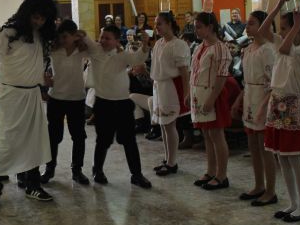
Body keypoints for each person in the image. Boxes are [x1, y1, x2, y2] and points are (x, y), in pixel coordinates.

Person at [0, 0, 57, 210]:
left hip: (32, 94)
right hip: (11, 95)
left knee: (34, 140)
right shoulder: (9, 34)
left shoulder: (41, 36)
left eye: (42, 18)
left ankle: (32, 185)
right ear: (27, 14)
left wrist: (42, 80)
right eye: (35, 17)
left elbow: (31, 63)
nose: (38, 22)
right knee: (7, 141)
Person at [260, 0, 300, 222]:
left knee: (294, 157)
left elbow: (286, 48)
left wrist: (295, 26)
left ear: (297, 27)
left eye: (285, 28)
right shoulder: (282, 42)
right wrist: (277, 6)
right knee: (281, 157)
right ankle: (293, 202)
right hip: (277, 102)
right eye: (283, 29)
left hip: (294, 103)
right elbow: (263, 30)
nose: (281, 32)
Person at [86, 25, 152, 188]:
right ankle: (97, 170)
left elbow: (137, 59)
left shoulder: (122, 56)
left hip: (122, 104)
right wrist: (81, 34)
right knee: (103, 140)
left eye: (107, 38)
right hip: (103, 104)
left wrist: (145, 45)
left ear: (116, 41)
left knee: (129, 141)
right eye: (102, 37)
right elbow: (85, 39)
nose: (103, 40)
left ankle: (136, 175)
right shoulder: (95, 51)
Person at [231, 11, 275, 206]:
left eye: (252, 23)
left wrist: (263, 107)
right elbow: (246, 80)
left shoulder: (268, 50)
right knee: (253, 147)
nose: (247, 27)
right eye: (247, 23)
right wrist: (238, 101)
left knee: (265, 149)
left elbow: (272, 83)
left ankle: (271, 191)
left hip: (263, 100)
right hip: (250, 97)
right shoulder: (248, 49)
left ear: (264, 25)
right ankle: (258, 185)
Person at [42, 20, 91, 185]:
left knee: (78, 136)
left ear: (74, 36)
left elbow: (97, 50)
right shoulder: (54, 50)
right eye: (60, 36)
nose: (62, 40)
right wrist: (44, 77)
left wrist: (84, 36)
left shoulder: (82, 50)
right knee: (53, 136)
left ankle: (77, 170)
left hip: (77, 99)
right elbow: (37, 61)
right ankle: (49, 169)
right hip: (56, 98)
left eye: (65, 37)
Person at [190, 12, 232, 191]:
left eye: (199, 27)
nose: (196, 30)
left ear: (210, 27)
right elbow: (194, 72)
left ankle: (222, 175)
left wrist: (211, 99)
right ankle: (210, 171)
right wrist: (190, 92)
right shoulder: (200, 46)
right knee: (206, 134)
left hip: (212, 95)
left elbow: (222, 77)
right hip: (199, 94)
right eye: (195, 27)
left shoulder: (220, 48)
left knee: (216, 135)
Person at [150, 12, 190, 177]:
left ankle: (172, 163)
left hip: (171, 87)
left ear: (169, 24)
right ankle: (167, 159)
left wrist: (186, 92)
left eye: (159, 23)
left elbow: (184, 72)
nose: (156, 27)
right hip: (159, 86)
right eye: (155, 24)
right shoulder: (159, 43)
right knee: (162, 124)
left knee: (169, 124)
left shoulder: (178, 45)